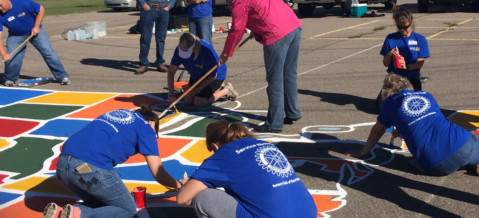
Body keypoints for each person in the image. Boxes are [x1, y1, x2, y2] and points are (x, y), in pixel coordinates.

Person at [42, 104, 181, 218]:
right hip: (89, 168)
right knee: (127, 210)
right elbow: (158, 173)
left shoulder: (118, 113)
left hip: (62, 166)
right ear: (152, 124)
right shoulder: (146, 128)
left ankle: (61, 213)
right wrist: (179, 185)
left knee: (106, 206)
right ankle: (79, 215)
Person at [347, 74, 479, 176]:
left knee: (413, 161)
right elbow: (428, 124)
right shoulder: (426, 95)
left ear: (387, 92)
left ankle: (463, 163)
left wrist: (363, 151)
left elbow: (377, 130)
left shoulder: (389, 103)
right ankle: (476, 162)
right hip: (463, 142)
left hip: (438, 163)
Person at [176, 120, 318, 217]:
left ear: (215, 146)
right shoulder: (267, 145)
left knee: (203, 197)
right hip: (309, 212)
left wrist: (189, 187)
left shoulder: (224, 154)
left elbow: (183, 199)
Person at [218, 0, 302, 133]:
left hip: (277, 33)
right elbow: (264, 10)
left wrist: (226, 52)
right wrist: (256, 29)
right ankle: (293, 112)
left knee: (275, 80)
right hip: (293, 26)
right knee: (289, 74)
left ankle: (274, 123)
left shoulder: (238, 1)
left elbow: (237, 29)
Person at [0, 0, 70, 87]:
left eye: (1, 5)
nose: (0, 8)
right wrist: (3, 54)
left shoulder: (22, 3)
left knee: (48, 52)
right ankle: (10, 79)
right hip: (15, 35)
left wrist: (36, 26)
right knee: (12, 57)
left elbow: (41, 9)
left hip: (35, 31)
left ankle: (62, 76)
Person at [167, 33, 237, 107]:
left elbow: (213, 75)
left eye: (187, 51)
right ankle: (214, 90)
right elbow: (171, 72)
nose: (184, 54)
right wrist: (171, 93)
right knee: (188, 100)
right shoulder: (179, 49)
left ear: (194, 47)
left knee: (199, 102)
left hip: (215, 75)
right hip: (197, 75)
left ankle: (226, 90)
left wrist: (196, 90)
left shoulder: (206, 50)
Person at [380, 5, 429, 92]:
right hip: (395, 78)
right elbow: (385, 63)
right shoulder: (390, 38)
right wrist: (390, 54)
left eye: (405, 27)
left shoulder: (420, 39)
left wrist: (406, 66)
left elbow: (419, 63)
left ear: (411, 22)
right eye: (399, 27)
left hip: (412, 77)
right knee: (384, 104)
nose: (402, 30)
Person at [135, 0, 176, 75]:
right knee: (145, 38)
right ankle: (143, 64)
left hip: (163, 9)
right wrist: (143, 4)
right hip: (148, 9)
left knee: (161, 38)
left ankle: (160, 63)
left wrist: (170, 6)